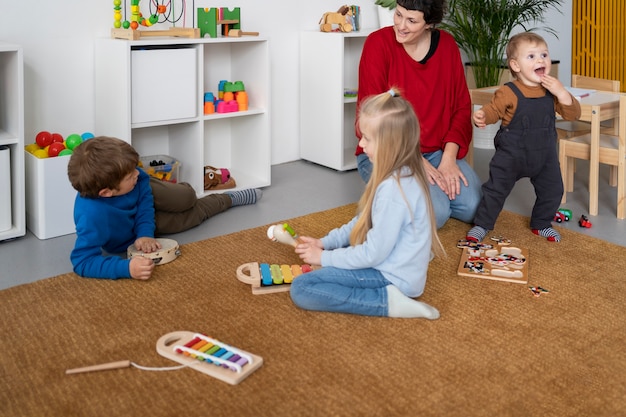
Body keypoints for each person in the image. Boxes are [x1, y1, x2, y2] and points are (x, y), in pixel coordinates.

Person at [290, 89, 445, 319]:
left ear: (389, 144)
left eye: (367, 138)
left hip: (392, 277)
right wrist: (325, 243)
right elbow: (362, 221)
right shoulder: (401, 174)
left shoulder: (394, 190)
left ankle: (388, 303)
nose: (361, 144)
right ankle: (387, 294)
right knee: (331, 268)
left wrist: (324, 258)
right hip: (399, 271)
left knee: (302, 287)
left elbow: (372, 255)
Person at [355, 0, 481, 229]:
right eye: (399, 15)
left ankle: (404, 201)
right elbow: (371, 116)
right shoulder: (378, 44)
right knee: (438, 213)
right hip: (387, 152)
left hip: (437, 151)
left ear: (429, 24)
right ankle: (386, 201)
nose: (401, 25)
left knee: (473, 206)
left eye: (411, 20)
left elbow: (462, 107)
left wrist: (449, 159)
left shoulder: (447, 46)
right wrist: (416, 161)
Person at [67, 136, 262, 280]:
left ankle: (186, 191)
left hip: (146, 195)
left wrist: (145, 232)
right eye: (129, 175)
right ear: (106, 192)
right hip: (133, 230)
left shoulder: (137, 178)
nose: (137, 172)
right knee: (191, 217)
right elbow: (82, 262)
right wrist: (126, 268)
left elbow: (144, 202)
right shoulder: (91, 215)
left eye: (136, 167)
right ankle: (227, 199)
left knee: (186, 198)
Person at [466, 32, 581, 243]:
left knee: (554, 190)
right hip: (511, 156)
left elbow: (573, 114)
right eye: (531, 56)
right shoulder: (508, 91)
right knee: (495, 190)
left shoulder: (551, 92)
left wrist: (562, 92)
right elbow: (494, 110)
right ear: (515, 65)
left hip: (544, 156)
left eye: (544, 54)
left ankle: (541, 223)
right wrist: (483, 116)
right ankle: (482, 224)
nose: (540, 60)